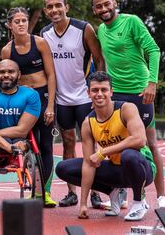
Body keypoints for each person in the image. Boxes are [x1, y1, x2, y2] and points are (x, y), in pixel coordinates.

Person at [91, 0, 165, 210]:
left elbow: (153, 50)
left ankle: (161, 195)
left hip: (139, 90)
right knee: (115, 142)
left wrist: (152, 83)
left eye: (107, 4)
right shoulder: (101, 31)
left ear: (115, 2)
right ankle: (121, 192)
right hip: (116, 93)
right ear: (94, 10)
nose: (104, 9)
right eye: (99, 6)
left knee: (148, 142)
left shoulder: (131, 22)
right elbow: (102, 62)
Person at [56, 71, 156, 221]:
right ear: (88, 93)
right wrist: (83, 204)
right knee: (63, 168)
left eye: (104, 90)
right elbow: (89, 163)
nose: (99, 94)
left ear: (111, 92)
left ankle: (139, 202)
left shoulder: (126, 109)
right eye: (95, 90)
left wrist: (103, 152)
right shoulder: (88, 123)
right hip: (116, 169)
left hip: (142, 168)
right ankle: (113, 191)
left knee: (129, 155)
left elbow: (140, 140)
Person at [41, 0, 106, 208]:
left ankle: (96, 191)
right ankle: (72, 192)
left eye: (58, 5)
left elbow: (98, 58)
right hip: (61, 99)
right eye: (49, 7)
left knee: (91, 142)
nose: (54, 10)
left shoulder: (83, 28)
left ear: (66, 7)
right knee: (68, 142)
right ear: (45, 11)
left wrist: (99, 89)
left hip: (83, 96)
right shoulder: (45, 33)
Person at [0, 7, 57, 207]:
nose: (22, 24)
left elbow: (51, 75)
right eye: (17, 21)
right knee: (26, 143)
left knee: (45, 147)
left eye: (24, 20)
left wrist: (50, 105)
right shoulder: (7, 50)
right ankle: (31, 185)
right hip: (23, 101)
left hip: (43, 97)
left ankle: (46, 192)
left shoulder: (40, 43)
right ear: (10, 25)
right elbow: (6, 79)